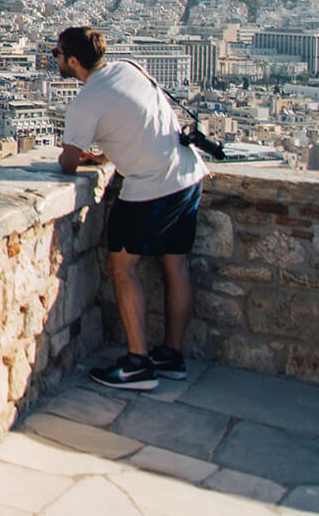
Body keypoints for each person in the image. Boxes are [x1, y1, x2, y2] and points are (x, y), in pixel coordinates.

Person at [54, 26, 209, 390]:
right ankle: (172, 355)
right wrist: (107, 155)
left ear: (74, 61)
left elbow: (66, 163)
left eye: (57, 54)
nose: (55, 59)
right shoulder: (129, 68)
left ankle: (138, 364)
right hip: (187, 175)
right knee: (177, 264)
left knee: (122, 267)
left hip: (151, 187)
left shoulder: (86, 100)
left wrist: (84, 157)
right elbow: (139, 121)